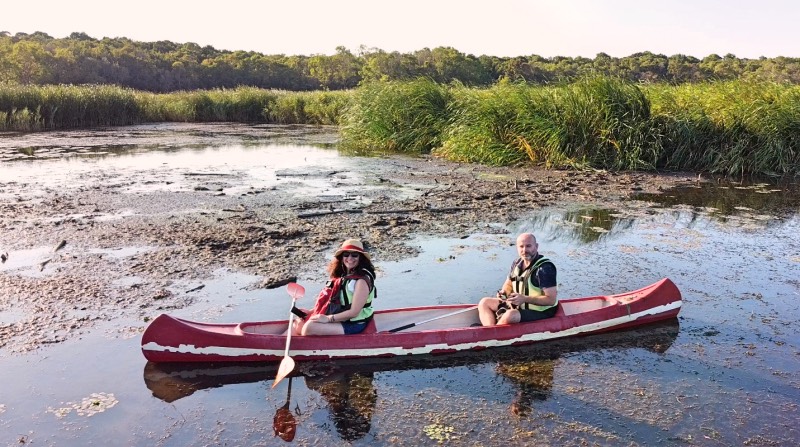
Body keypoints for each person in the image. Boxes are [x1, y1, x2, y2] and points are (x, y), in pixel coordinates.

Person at [293, 239, 376, 336]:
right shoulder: (342, 276)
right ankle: (279, 346)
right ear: (341, 257)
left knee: (309, 327)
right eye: (346, 254)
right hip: (340, 317)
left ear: (361, 258)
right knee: (298, 322)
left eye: (354, 255)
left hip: (354, 323)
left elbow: (354, 312)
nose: (350, 258)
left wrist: (328, 319)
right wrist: (311, 311)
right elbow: (331, 301)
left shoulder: (361, 281)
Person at [477, 232, 558, 326]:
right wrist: (503, 293)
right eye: (521, 246)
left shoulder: (544, 269)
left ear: (536, 246)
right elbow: (509, 284)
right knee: (484, 302)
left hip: (541, 311)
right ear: (517, 248)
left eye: (528, 246)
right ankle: (489, 330)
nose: (524, 250)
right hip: (518, 306)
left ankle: (492, 334)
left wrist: (525, 299)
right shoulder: (517, 263)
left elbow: (551, 300)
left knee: (511, 315)